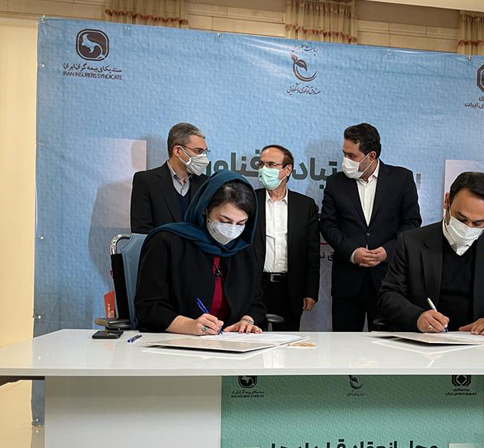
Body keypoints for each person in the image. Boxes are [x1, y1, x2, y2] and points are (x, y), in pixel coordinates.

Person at [378, 172, 484, 334]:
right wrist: (417, 317)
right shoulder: (411, 242)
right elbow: (389, 295)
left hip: (482, 343)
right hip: (427, 341)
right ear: (447, 201)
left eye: (478, 223)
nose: (468, 227)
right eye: (461, 219)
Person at [135, 171, 266, 334]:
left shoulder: (245, 249)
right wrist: (189, 325)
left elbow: (256, 302)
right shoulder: (167, 241)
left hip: (230, 341)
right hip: (176, 340)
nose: (232, 229)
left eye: (241, 223)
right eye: (224, 221)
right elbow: (149, 306)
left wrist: (246, 321)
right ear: (205, 209)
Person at [320, 123, 421, 331]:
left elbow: (412, 223)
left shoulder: (401, 179)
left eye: (352, 156)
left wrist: (388, 251)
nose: (346, 160)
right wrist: (352, 252)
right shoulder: (335, 183)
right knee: (344, 345)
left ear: (371, 156)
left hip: (388, 281)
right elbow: (328, 225)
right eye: (344, 154)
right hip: (348, 281)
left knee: (387, 344)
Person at [251, 145, 320, 331]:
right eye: (261, 164)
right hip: (255, 287)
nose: (264, 169)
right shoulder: (249, 200)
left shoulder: (305, 206)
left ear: (287, 170)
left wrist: (310, 291)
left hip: (290, 288)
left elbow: (312, 253)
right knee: (251, 341)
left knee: (287, 343)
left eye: (271, 164)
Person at [130, 122, 210, 233]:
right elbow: (142, 231)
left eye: (205, 152)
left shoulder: (206, 183)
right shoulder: (146, 181)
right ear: (178, 151)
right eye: (198, 151)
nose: (204, 157)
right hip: (159, 244)